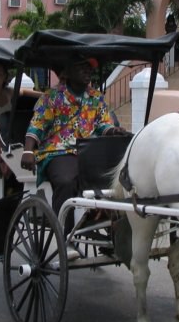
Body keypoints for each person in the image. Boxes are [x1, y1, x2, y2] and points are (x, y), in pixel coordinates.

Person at [21, 57, 127, 223]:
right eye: (81, 67)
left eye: (89, 67)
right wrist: (28, 150)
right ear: (67, 72)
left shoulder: (96, 97)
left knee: (117, 179)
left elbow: (103, 124)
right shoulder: (52, 97)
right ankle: (65, 228)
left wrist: (113, 130)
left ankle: (108, 223)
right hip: (58, 151)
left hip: (90, 152)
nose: (87, 70)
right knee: (66, 181)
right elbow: (37, 125)